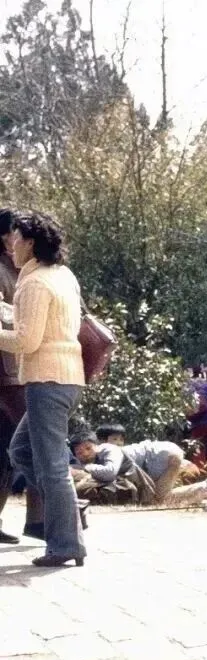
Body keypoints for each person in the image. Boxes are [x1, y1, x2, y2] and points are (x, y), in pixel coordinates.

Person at [0, 210, 85, 567]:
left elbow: (26, 341)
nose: (11, 244)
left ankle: (65, 544)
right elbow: (44, 323)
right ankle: (67, 511)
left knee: (51, 466)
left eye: (17, 238)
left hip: (46, 380)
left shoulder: (33, 282)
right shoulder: (62, 274)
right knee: (21, 450)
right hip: (65, 378)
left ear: (31, 243)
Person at [0, 208, 34, 544]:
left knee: (8, 449)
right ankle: (40, 520)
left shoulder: (20, 269)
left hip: (14, 370)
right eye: (14, 233)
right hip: (6, 373)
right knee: (20, 444)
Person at [69, 433, 155, 505]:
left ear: (96, 446)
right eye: (79, 452)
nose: (85, 454)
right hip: (112, 485)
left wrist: (86, 467)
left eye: (88, 448)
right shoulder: (78, 461)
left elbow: (110, 473)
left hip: (132, 487)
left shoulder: (111, 450)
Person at [121, 439, 186, 504]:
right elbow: (159, 495)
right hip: (129, 461)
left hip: (127, 455)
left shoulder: (170, 448)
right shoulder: (176, 460)